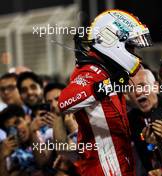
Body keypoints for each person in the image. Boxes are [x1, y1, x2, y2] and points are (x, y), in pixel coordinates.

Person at [58, 9, 152, 176]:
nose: (134, 54)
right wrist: (110, 85)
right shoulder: (90, 71)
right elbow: (64, 102)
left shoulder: (108, 71)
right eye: (130, 47)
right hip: (102, 170)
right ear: (112, 42)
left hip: (121, 167)